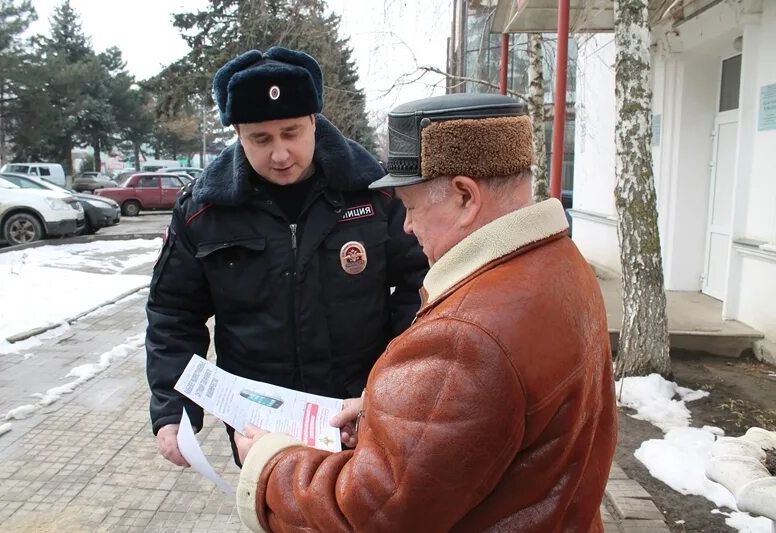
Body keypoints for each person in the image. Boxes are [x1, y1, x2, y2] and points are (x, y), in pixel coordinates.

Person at [232, 93, 618, 532]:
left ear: (464, 197)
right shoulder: (561, 263)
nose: (407, 225)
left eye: (411, 206)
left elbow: (369, 518)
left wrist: (270, 464)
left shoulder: (466, 334)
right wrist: (391, 415)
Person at [145, 46, 428, 467]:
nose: (280, 154)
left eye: (292, 133)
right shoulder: (205, 209)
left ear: (314, 121)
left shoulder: (374, 191)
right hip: (260, 422)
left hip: (357, 412)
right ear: (238, 134)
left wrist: (395, 386)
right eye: (261, 139)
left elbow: (420, 285)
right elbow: (173, 313)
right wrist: (173, 410)